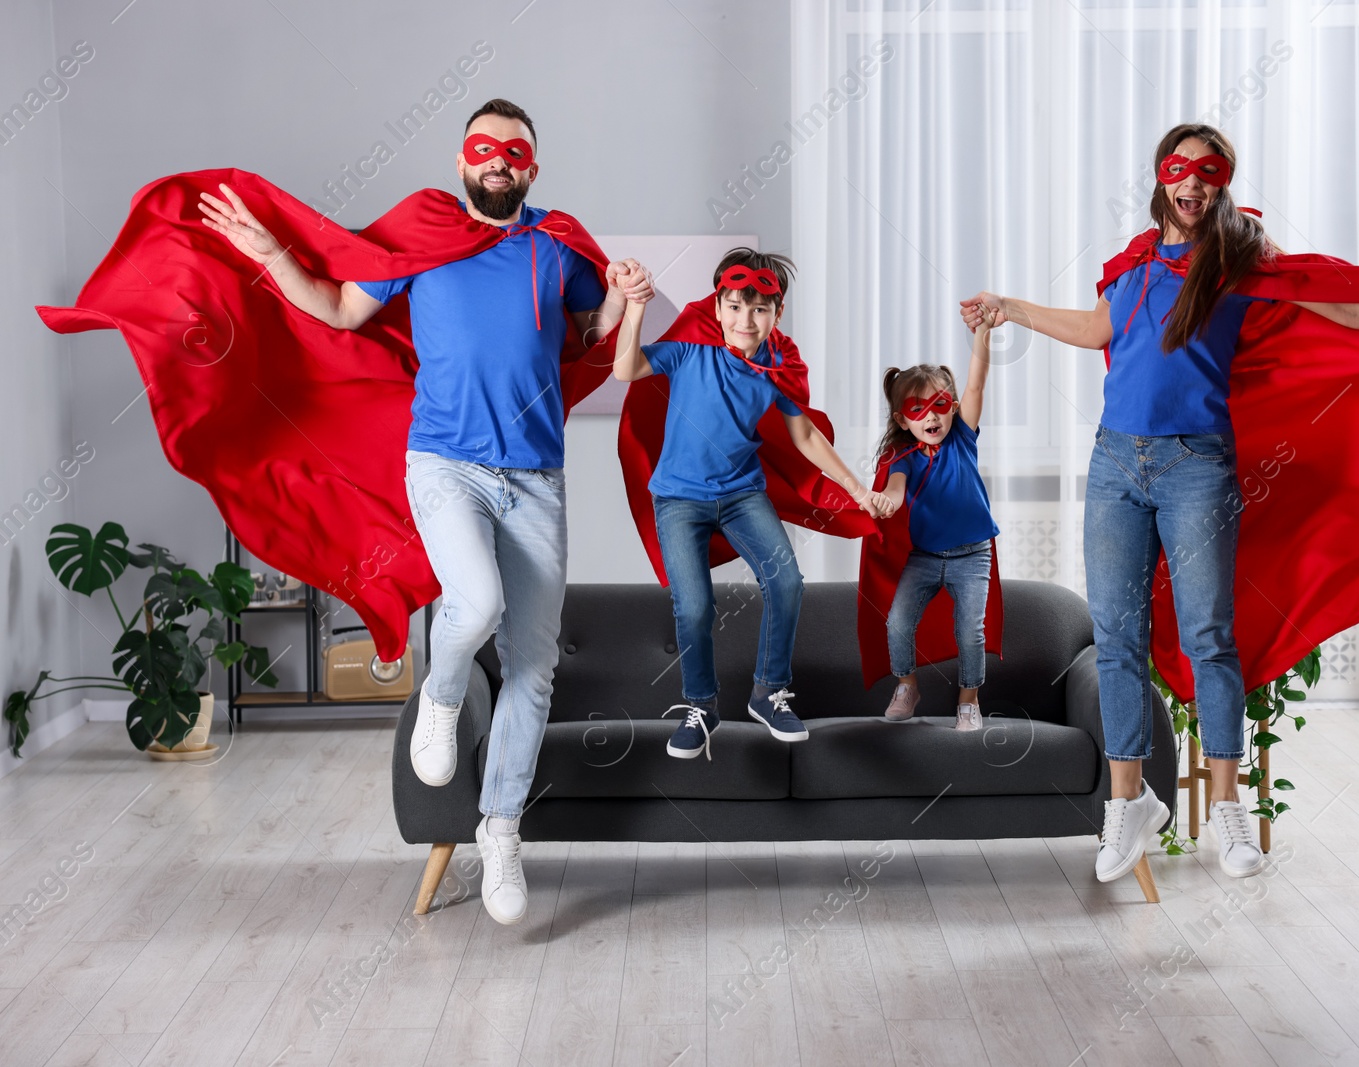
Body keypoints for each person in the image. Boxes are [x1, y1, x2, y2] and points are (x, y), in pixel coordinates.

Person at [961, 122, 1359, 884]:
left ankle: (1231, 812)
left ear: (1222, 183)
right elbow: (1098, 328)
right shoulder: (1131, 262)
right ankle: (1128, 803)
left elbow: (1354, 312)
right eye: (1180, 169)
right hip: (1113, 465)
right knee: (1119, 635)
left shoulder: (1239, 261)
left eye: (1208, 172)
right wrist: (1013, 308)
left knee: (1210, 636)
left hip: (1196, 466)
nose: (1192, 183)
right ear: (1161, 176)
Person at [196, 98, 649, 926]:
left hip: (537, 479)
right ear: (462, 161)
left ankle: (501, 827)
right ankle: (439, 698)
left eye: (514, 151)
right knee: (473, 603)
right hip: (444, 464)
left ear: (532, 168)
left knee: (533, 663)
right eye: (484, 148)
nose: (498, 160)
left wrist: (619, 297)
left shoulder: (557, 243)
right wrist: (267, 253)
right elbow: (338, 309)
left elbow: (589, 334)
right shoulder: (422, 237)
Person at [611, 249, 890, 761]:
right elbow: (626, 369)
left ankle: (768, 691)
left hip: (742, 495)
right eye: (735, 307)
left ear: (776, 315)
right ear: (717, 308)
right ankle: (701, 705)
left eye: (760, 309)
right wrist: (634, 307)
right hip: (677, 499)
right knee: (694, 606)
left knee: (785, 581)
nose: (746, 320)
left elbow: (804, 434)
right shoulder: (690, 349)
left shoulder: (776, 368)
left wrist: (857, 490)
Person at [874, 305, 1001, 731]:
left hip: (972, 555)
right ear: (901, 420)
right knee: (897, 622)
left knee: (970, 633)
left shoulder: (962, 437)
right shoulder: (903, 456)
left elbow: (978, 384)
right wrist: (889, 499)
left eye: (940, 404)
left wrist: (982, 331)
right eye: (917, 409)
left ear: (952, 407)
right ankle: (907, 685)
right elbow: (894, 486)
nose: (931, 416)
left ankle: (969, 701)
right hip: (925, 557)